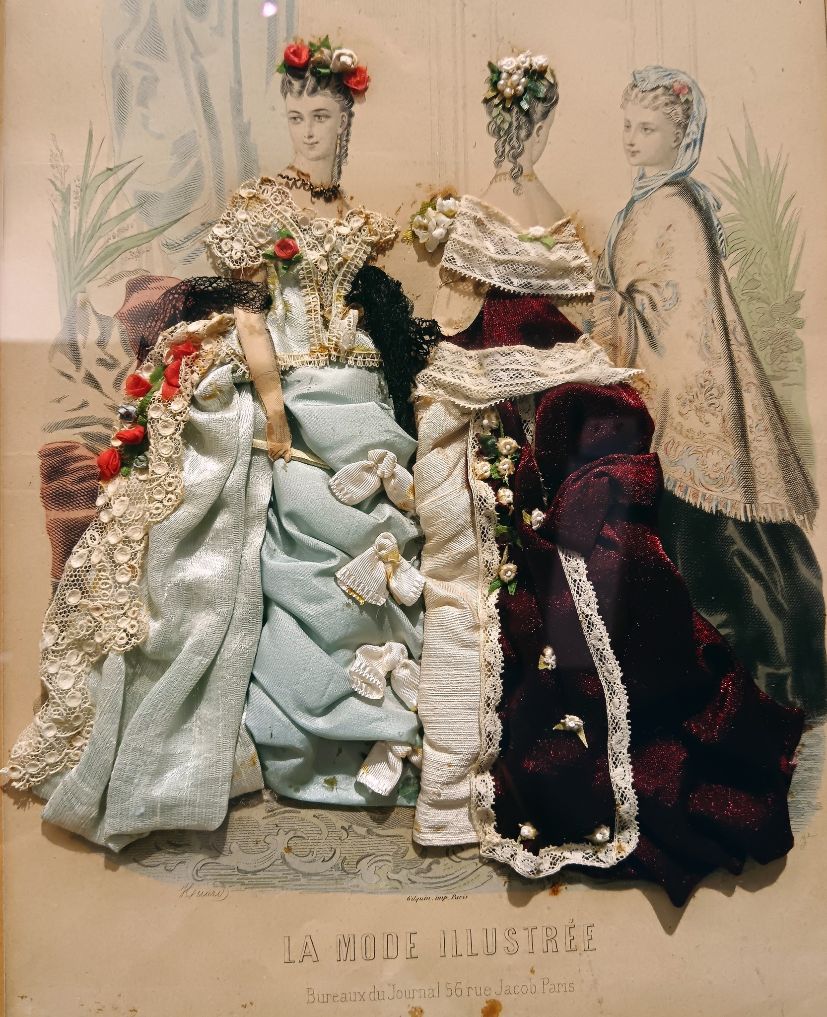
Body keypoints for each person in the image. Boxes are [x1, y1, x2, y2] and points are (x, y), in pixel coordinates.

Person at [1, 36, 433, 849]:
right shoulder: (263, 208)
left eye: (323, 117)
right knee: (266, 542)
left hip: (361, 390)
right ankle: (282, 738)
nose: (310, 132)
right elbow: (249, 316)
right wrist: (273, 408)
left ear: (346, 122)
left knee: (378, 540)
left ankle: (369, 726)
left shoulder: (357, 219)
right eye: (297, 117)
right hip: (290, 382)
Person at [411, 52, 803, 906]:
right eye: (522, 123)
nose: (524, 136)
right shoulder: (525, 212)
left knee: (590, 538)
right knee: (532, 543)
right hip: (518, 389)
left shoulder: (599, 210)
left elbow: (509, 315)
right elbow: (499, 313)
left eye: (529, 123)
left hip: (545, 384)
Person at [590, 65, 826, 719]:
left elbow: (675, 312)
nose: (632, 139)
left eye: (648, 129)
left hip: (681, 388)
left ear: (679, 137)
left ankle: (740, 682)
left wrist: (607, 307)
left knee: (707, 547)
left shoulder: (674, 206)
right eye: (628, 126)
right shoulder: (651, 202)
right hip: (656, 373)